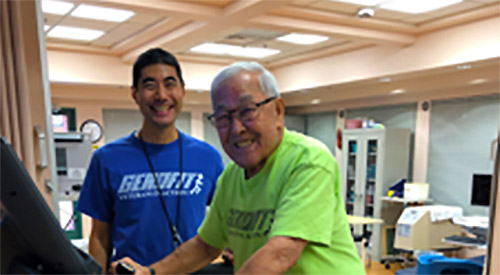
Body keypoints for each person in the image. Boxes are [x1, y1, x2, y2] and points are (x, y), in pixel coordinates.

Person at [112, 62, 364, 274]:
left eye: (247, 111)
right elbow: (205, 246)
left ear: (277, 111)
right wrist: (152, 272)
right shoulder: (231, 177)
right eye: (223, 117)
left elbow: (281, 253)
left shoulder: (308, 160)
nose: (236, 128)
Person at [77, 48, 224, 272]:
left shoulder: (208, 157)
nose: (161, 95)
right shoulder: (106, 159)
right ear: (135, 93)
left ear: (182, 90)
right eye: (149, 85)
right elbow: (100, 236)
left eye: (170, 83)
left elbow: (227, 221)